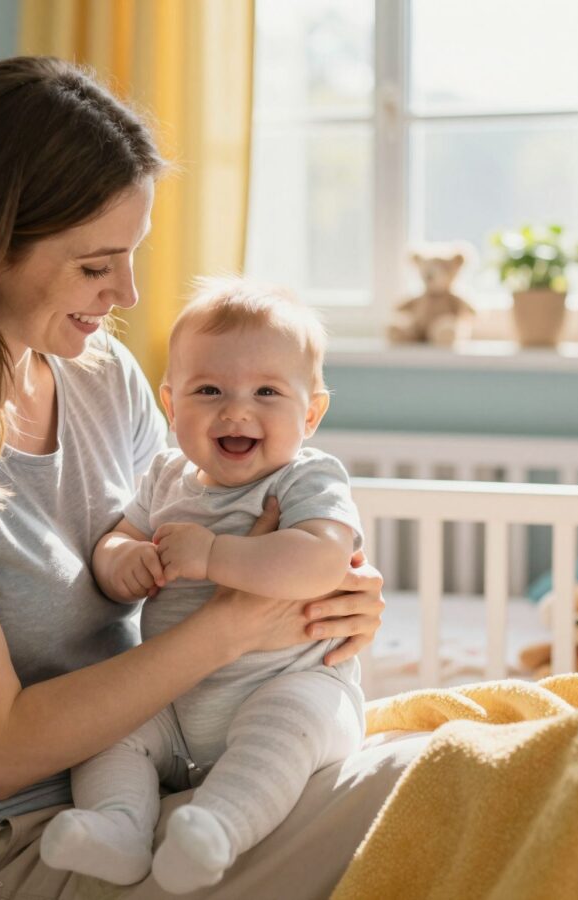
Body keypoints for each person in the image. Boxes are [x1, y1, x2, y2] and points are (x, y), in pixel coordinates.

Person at [0, 56, 425, 899]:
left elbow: (204, 530)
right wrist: (238, 624)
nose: (126, 291)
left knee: (508, 765)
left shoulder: (97, 374)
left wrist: (333, 600)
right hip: (23, 849)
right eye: (94, 266)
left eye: (132, 256)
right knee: (473, 789)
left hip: (182, 779)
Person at [42, 280, 366, 893]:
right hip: (178, 702)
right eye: (209, 390)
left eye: (267, 392)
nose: (236, 410)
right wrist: (122, 561)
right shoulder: (166, 476)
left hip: (289, 683)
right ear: (171, 403)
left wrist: (214, 553)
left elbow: (325, 561)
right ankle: (119, 829)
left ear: (312, 413)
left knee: (289, 723)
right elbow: (116, 538)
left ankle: (215, 829)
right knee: (108, 726)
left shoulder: (308, 478)